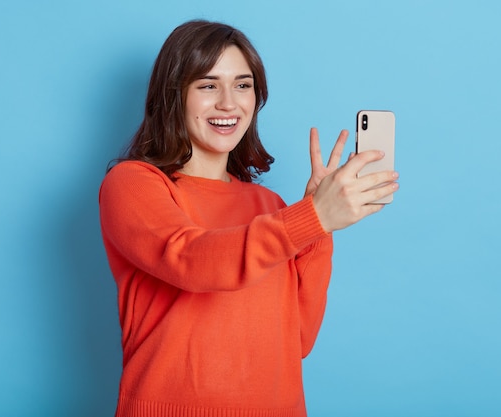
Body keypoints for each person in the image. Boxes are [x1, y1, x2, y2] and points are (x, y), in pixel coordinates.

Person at [99, 19, 399, 417]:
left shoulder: (273, 206)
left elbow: (297, 341)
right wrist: (311, 217)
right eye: (207, 85)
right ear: (174, 95)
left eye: (243, 85)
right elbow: (191, 260)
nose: (228, 102)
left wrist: (319, 228)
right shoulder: (133, 184)